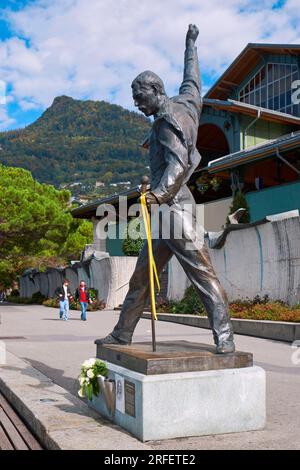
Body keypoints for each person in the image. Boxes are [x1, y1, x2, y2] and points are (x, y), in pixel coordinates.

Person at [96, 24, 235, 354]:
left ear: (153, 90)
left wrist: (158, 194)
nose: (135, 103)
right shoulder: (187, 103)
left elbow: (177, 165)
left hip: (173, 209)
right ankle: (122, 334)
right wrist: (191, 46)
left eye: (138, 96)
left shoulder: (166, 120)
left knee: (202, 273)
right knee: (141, 278)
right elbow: (193, 80)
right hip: (164, 214)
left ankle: (225, 337)